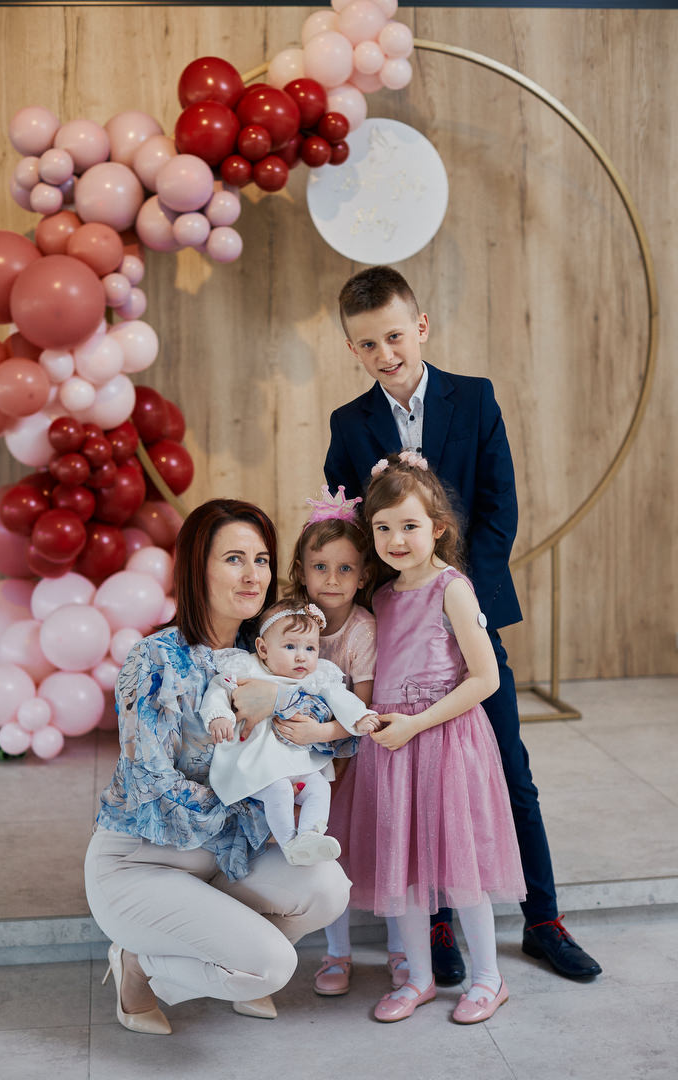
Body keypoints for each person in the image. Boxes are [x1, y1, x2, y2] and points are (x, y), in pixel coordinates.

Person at [324, 265, 601, 982]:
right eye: (367, 344)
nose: (385, 353)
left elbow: (498, 506)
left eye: (394, 336)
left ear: (419, 327)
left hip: (463, 608)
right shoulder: (348, 424)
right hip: (397, 633)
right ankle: (436, 924)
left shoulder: (473, 398)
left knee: (509, 768)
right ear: (352, 349)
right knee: (418, 785)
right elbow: (349, 524)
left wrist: (451, 593)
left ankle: (542, 919)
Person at [84, 499, 351, 1035]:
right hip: (143, 862)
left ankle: (222, 954)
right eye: (234, 559)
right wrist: (261, 802)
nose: (253, 575)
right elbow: (152, 781)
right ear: (196, 568)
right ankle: (139, 965)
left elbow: (328, 731)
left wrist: (276, 700)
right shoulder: (154, 658)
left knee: (327, 889)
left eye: (261, 559)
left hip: (227, 857)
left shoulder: (272, 652)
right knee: (272, 966)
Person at [330, 451, 525, 1023]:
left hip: (444, 742)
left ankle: (488, 978)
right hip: (392, 749)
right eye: (383, 528)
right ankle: (418, 978)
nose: (395, 540)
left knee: (464, 867)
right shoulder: (380, 597)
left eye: (409, 526)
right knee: (404, 867)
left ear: (437, 528)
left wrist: (416, 723)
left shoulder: (452, 588)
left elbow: (485, 678)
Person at [285, 485, 411, 996]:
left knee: (380, 849)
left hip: (355, 759)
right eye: (320, 567)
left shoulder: (362, 632)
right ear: (301, 571)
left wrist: (321, 734)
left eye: (344, 569)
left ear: (363, 575)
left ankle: (400, 948)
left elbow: (363, 711)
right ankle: (336, 952)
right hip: (304, 762)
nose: (332, 580)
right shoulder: (288, 622)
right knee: (324, 851)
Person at [200, 598, 379, 866]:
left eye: (310, 648)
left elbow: (341, 698)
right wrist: (219, 716)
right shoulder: (247, 667)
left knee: (319, 787)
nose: (301, 656)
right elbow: (218, 689)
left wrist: (360, 716)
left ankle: (309, 835)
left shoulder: (317, 675)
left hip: (298, 759)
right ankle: (289, 844)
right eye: (290, 646)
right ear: (263, 648)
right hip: (257, 759)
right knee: (280, 790)